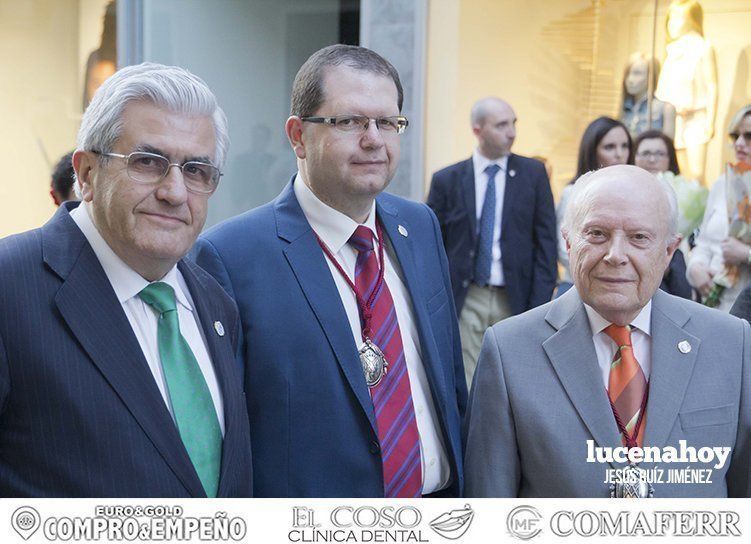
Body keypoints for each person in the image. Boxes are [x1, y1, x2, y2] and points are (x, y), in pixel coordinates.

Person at [193, 45, 466, 498]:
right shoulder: (230, 257)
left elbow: (450, 383)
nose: (374, 139)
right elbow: (228, 440)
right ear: (298, 136)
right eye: (350, 121)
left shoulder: (420, 226)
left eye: (388, 122)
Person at [0, 63, 252, 497]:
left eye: (195, 170)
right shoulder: (10, 286)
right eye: (148, 162)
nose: (174, 192)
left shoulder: (214, 302)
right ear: (86, 174)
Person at [464, 164, 751, 498]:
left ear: (670, 251)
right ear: (569, 243)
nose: (616, 255)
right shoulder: (508, 351)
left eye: (639, 237)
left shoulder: (731, 343)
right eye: (597, 234)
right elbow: (488, 504)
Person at [426, 97, 557, 387]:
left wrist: (539, 304)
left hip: (516, 296)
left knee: (511, 379)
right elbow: (430, 246)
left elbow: (546, 242)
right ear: (477, 130)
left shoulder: (533, 175)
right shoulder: (447, 180)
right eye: (501, 125)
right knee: (468, 381)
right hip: (467, 295)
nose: (511, 132)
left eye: (513, 123)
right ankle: (471, 433)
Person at [687, 104, 751, 311]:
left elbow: (739, 251)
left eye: (749, 136)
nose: (740, 144)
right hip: (712, 306)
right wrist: (695, 267)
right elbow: (704, 242)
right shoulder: (723, 182)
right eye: (736, 136)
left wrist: (745, 254)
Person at [557, 117, 632, 293]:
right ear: (592, 151)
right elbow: (563, 247)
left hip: (624, 287)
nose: (619, 154)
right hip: (578, 287)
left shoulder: (638, 195)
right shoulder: (573, 193)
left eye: (625, 146)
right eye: (609, 147)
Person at [655, 0, 718, 185]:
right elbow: (664, 87)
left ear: (692, 19)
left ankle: (701, 212)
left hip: (697, 118)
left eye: (678, 18)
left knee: (697, 174)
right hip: (674, 118)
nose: (672, 24)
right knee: (678, 173)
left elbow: (712, 84)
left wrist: (710, 121)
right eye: (670, 19)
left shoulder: (704, 47)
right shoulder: (672, 51)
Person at [634, 130, 692, 299]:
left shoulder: (687, 192)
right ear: (634, 157)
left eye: (659, 154)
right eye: (646, 153)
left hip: (674, 264)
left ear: (670, 158)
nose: (652, 160)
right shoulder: (620, 190)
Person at [620, 52, 676, 139]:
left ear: (651, 76)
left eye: (637, 73)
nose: (630, 79)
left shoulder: (666, 109)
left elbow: (666, 149)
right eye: (628, 73)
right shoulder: (623, 110)